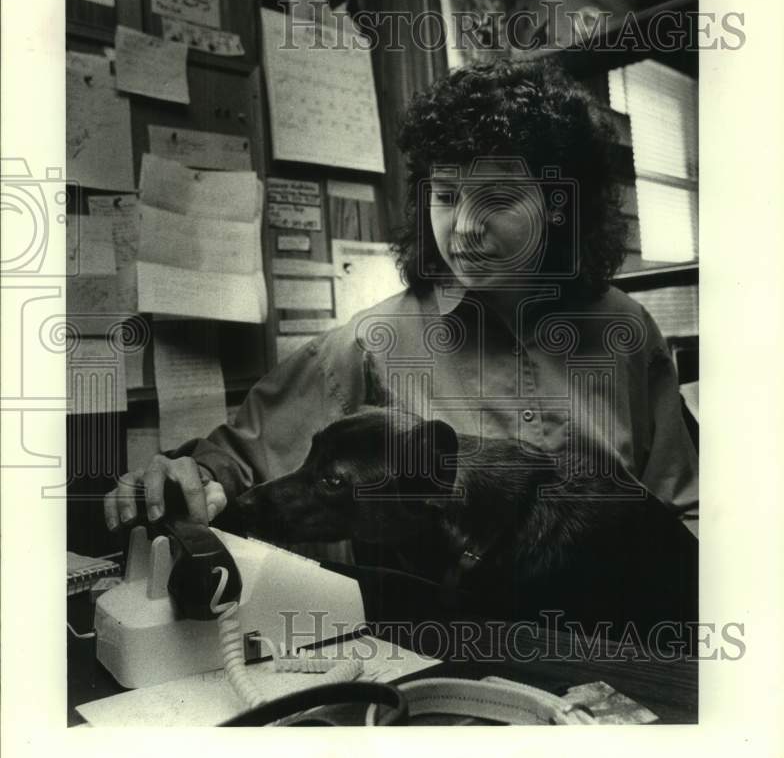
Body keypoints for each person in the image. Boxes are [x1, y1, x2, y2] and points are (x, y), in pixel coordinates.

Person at [104, 60, 698, 548]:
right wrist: (193, 476)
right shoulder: (372, 343)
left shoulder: (626, 329)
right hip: (440, 648)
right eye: (445, 194)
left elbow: (678, 515)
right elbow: (231, 462)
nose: (462, 227)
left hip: (617, 649)